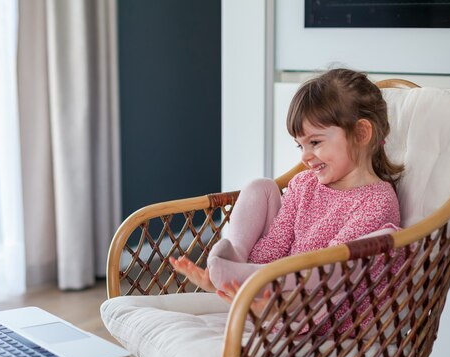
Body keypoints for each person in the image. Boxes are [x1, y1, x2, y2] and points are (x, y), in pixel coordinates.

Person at [170, 68, 404, 315]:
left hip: (324, 309)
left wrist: (278, 303)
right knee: (261, 187)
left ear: (361, 133)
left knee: (328, 267)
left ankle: (247, 279)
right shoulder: (304, 184)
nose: (305, 156)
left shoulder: (377, 202)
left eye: (315, 142)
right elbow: (276, 243)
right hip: (277, 283)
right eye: (300, 145)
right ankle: (236, 259)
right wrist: (236, 282)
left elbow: (331, 273)